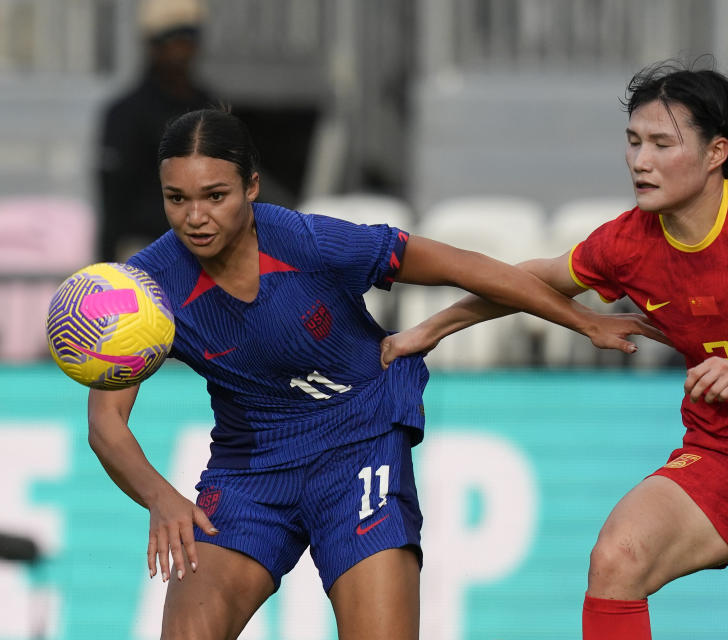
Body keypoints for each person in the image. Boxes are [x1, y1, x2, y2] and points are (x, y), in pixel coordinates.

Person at [381, 62, 728, 639]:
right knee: (616, 559)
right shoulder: (629, 242)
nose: (639, 160)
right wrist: (431, 330)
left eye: (661, 143)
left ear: (715, 153)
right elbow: (532, 279)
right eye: (633, 142)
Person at [85, 108, 660, 640]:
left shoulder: (312, 242)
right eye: (176, 199)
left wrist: (581, 320)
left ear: (252, 188)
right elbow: (106, 424)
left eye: (215, 196)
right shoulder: (144, 290)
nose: (195, 217)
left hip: (361, 445)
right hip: (250, 474)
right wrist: (161, 498)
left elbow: (468, 267)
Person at [96, 0, 214, 263]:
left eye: (190, 37)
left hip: (204, 247)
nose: (183, 50)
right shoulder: (126, 113)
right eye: (174, 39)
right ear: (153, 45)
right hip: (144, 252)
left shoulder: (209, 106)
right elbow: (113, 198)